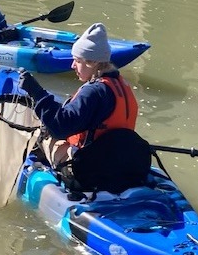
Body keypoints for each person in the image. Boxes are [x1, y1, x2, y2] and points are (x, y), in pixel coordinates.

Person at [18, 23, 150, 192]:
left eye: (78, 61)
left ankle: (35, 168)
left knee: (42, 133)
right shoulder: (122, 86)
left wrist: (36, 92)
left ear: (93, 62)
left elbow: (60, 128)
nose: (73, 65)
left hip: (92, 173)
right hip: (122, 166)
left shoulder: (93, 92)